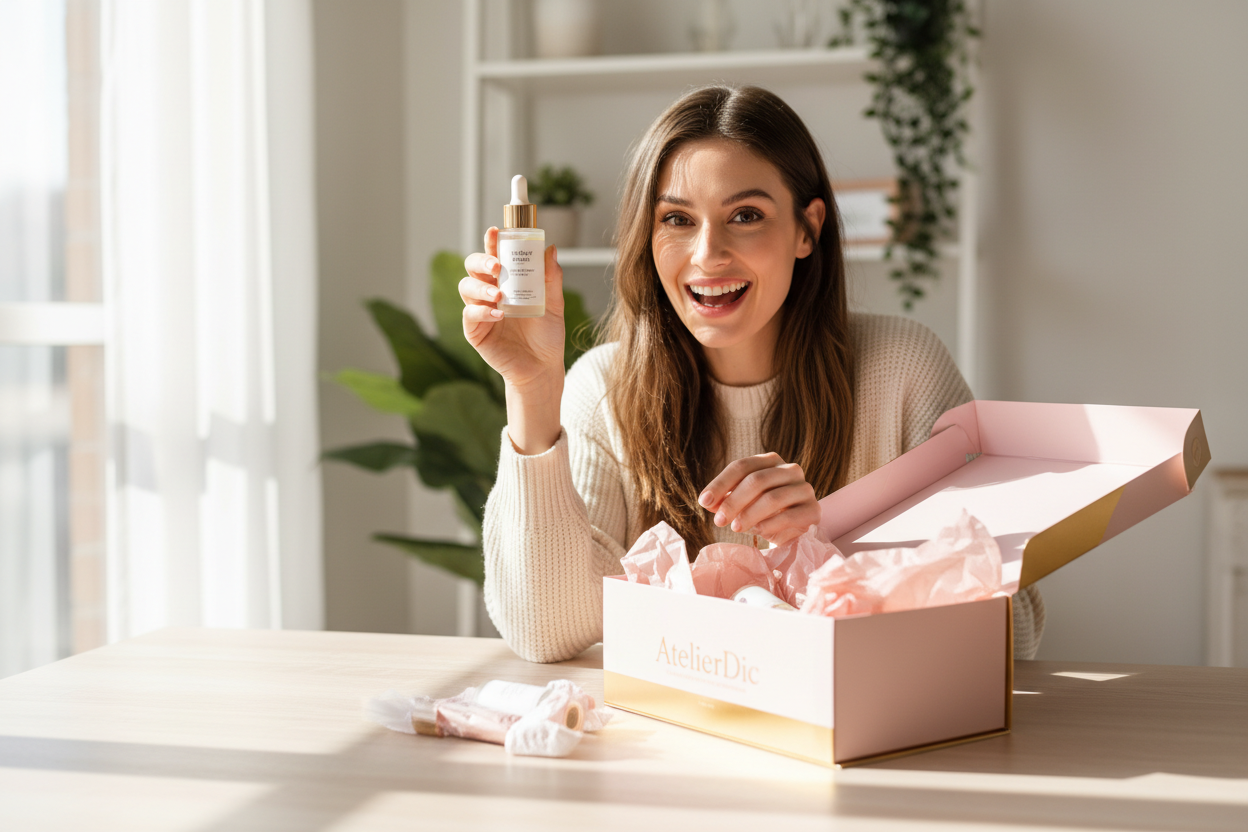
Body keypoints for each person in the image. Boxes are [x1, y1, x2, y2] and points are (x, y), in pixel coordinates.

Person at [460, 85, 1044, 663]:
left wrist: (828, 538)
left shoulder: (903, 370)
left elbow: (1015, 631)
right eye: (677, 219)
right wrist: (532, 388)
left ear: (806, 229)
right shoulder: (603, 390)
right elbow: (545, 628)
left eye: (745, 215)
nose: (707, 254)